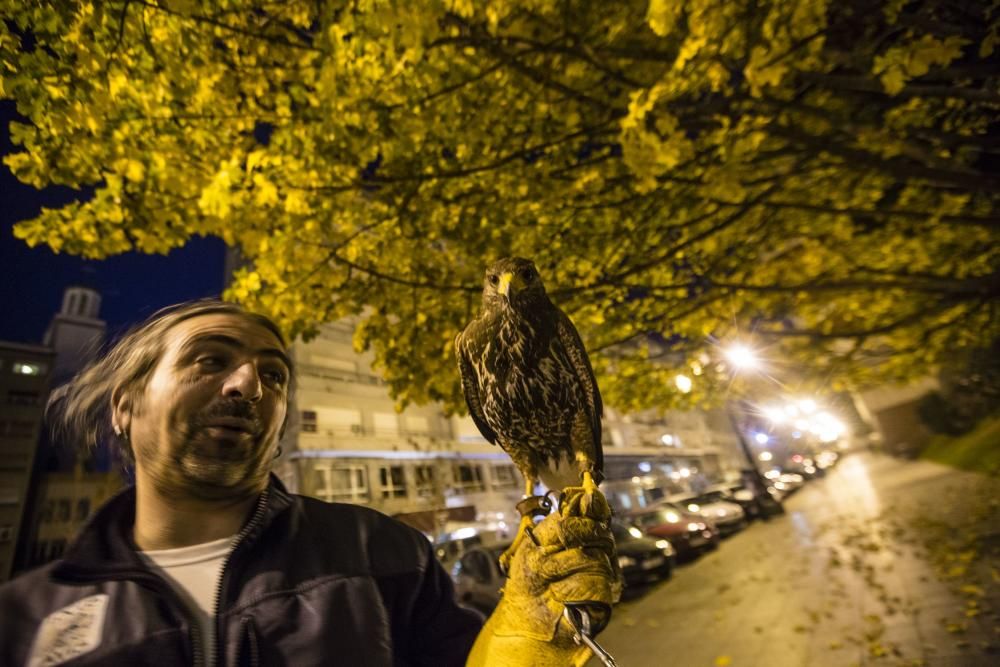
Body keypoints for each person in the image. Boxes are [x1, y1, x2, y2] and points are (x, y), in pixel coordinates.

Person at [0, 300, 619, 667]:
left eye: (273, 374)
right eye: (210, 360)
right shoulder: (23, 622)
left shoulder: (384, 556)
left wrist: (532, 634)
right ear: (125, 404)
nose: (249, 385)